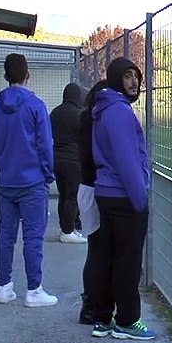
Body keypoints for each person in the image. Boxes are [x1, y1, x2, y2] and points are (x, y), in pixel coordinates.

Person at [87, 59, 154, 340]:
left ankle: (102, 317)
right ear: (116, 79)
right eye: (127, 76)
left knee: (107, 257)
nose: (134, 82)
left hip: (106, 192)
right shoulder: (119, 113)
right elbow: (127, 160)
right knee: (127, 261)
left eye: (136, 76)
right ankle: (128, 321)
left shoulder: (103, 108)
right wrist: (140, 200)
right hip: (125, 197)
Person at [0, 53, 58, 307]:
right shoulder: (36, 105)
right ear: (28, 74)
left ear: (5, 76)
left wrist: (2, 168)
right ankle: (33, 289)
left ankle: (4, 287)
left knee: (6, 234)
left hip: (6, 180)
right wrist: (48, 174)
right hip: (32, 180)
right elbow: (45, 145)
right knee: (33, 236)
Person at [76, 81, 106, 327]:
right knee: (101, 251)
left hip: (85, 187)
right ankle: (96, 305)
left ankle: (90, 303)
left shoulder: (85, 119)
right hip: (98, 188)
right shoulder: (97, 121)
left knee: (94, 250)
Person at [50, 82, 88, 244]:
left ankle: (65, 227)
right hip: (73, 161)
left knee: (63, 195)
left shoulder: (55, 113)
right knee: (72, 197)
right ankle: (67, 231)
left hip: (56, 159)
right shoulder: (79, 115)